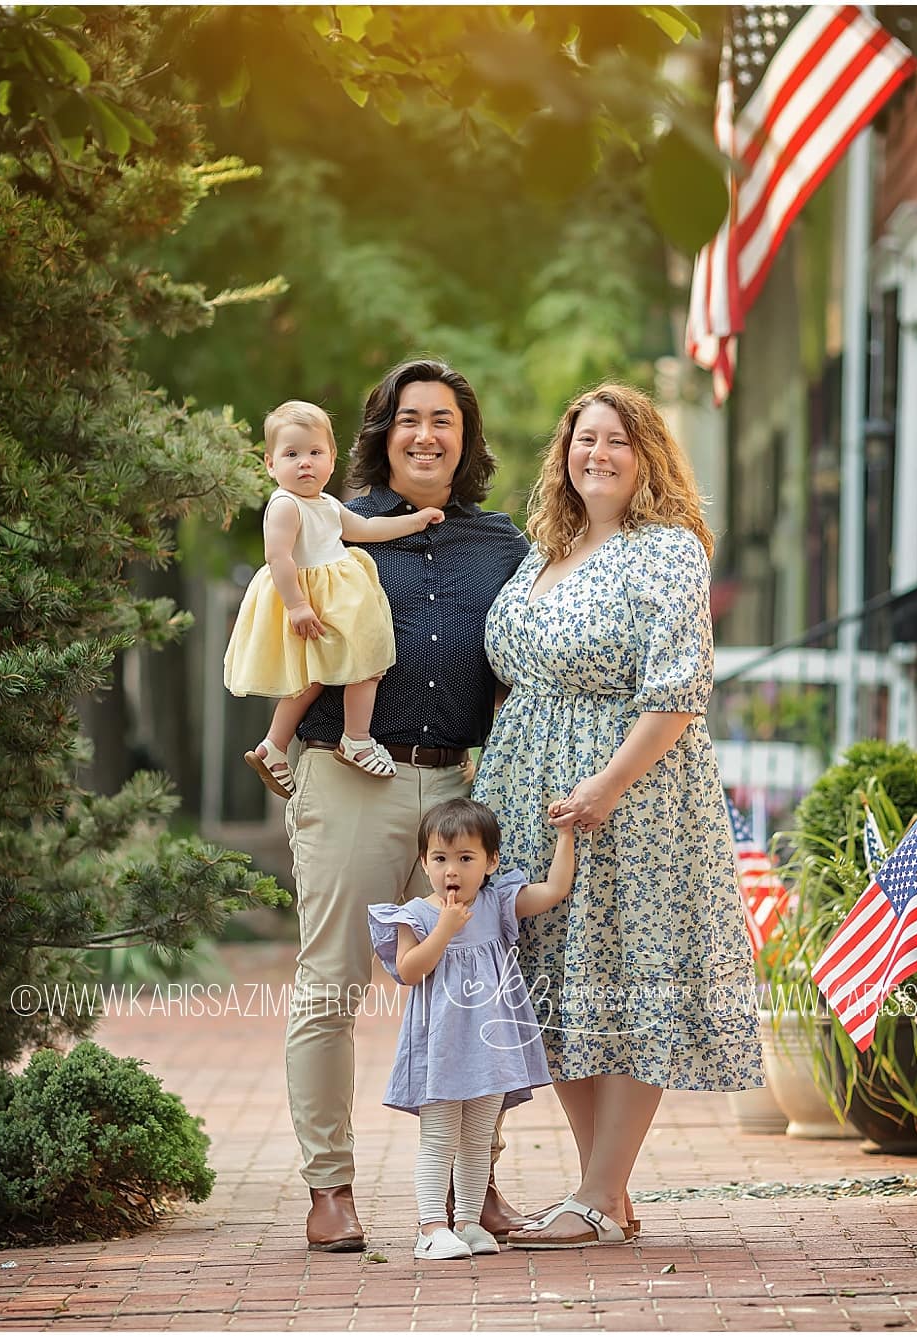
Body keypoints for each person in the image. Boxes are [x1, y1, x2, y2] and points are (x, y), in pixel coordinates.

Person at [472, 382, 766, 1249]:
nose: (596, 454)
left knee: (634, 977)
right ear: (563, 453)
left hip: (632, 799)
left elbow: (678, 690)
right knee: (559, 983)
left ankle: (599, 1195)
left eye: (617, 441)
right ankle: (606, 1191)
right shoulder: (542, 552)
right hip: (529, 790)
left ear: (647, 458)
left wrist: (605, 784)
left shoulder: (666, 551)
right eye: (583, 439)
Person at [282, 360, 533, 1253]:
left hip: (458, 794)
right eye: (408, 419)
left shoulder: (503, 545)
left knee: (477, 989)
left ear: (466, 440)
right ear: (382, 432)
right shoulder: (329, 525)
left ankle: (477, 1188)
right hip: (351, 772)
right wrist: (277, 740)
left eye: (445, 421)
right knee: (333, 983)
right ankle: (330, 1188)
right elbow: (282, 629)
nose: (427, 435)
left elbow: (525, 664)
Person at [368, 799, 575, 1260]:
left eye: (466, 858)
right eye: (440, 859)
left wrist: (566, 834)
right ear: (424, 863)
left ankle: (468, 1223)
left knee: (480, 1136)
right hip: (441, 1046)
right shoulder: (416, 915)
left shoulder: (497, 902)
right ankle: (429, 1228)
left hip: (491, 1045)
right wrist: (443, 928)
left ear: (490, 862)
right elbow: (408, 970)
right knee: (440, 1136)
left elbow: (556, 889)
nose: (452, 871)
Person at [224, 400, 445, 789]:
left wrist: (415, 520)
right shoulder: (285, 505)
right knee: (366, 663)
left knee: (318, 679)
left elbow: (366, 529)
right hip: (312, 599)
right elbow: (277, 557)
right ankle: (356, 739)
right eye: (291, 454)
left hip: (332, 598)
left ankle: (273, 746)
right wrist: (296, 605)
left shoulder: (326, 504)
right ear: (270, 464)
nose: (305, 463)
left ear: (331, 459)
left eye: (314, 452)